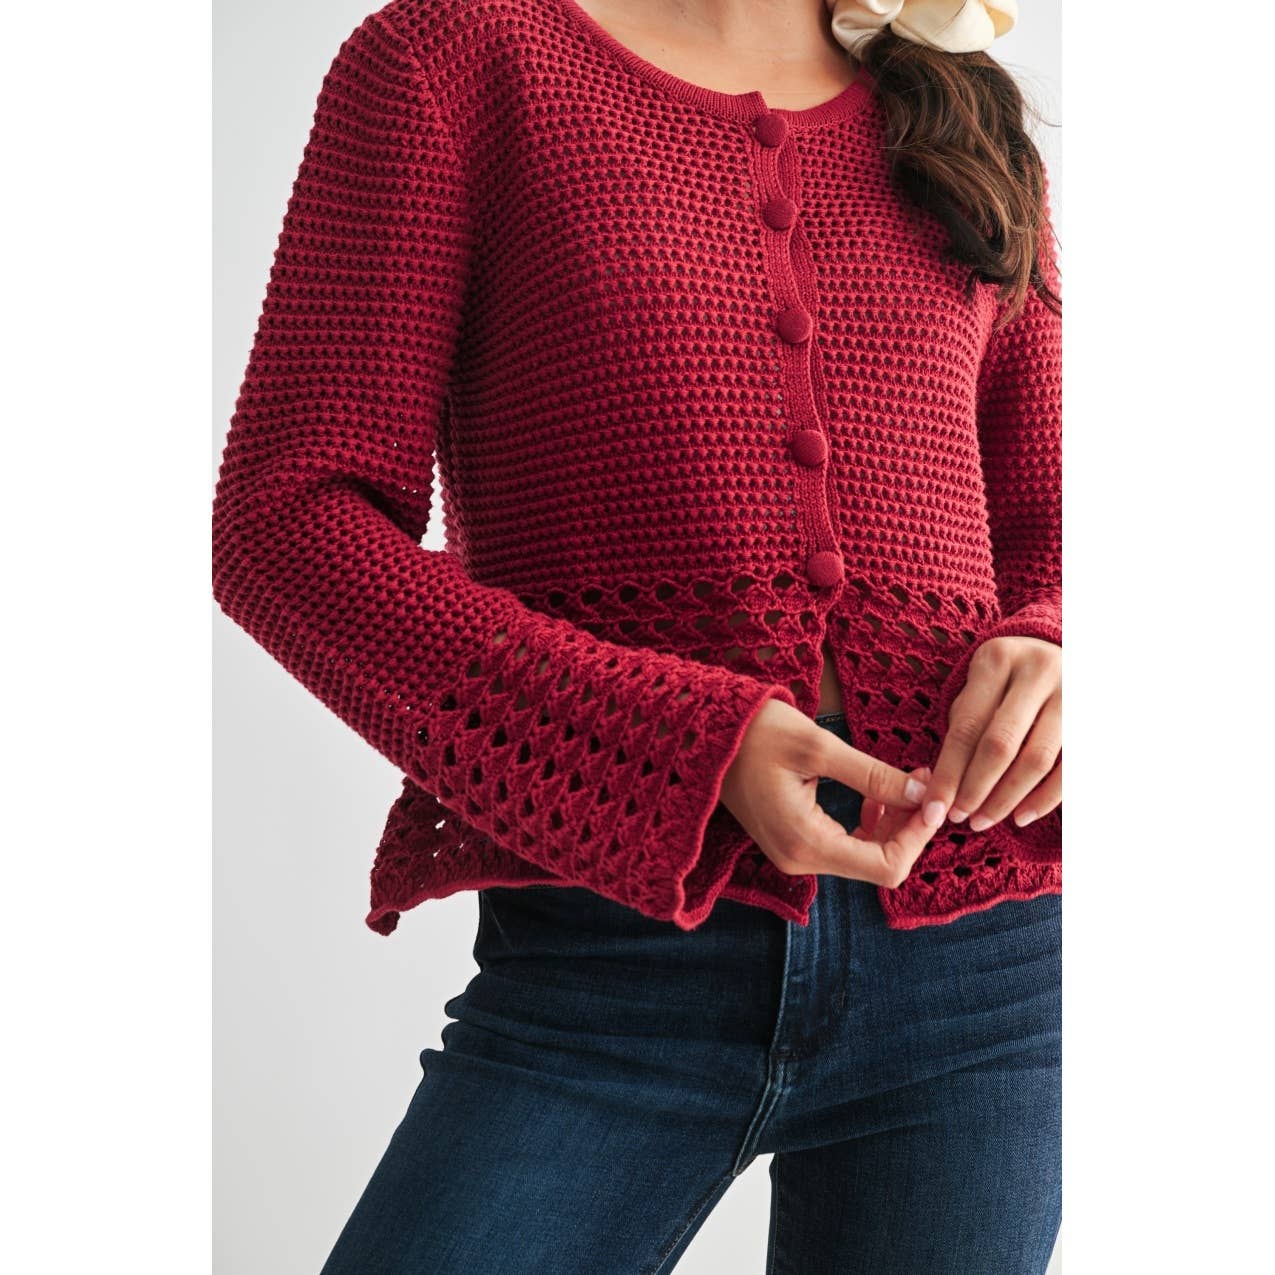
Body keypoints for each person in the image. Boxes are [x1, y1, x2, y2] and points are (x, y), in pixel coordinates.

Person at [212, 0, 1062, 1269]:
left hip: (984, 972)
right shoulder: (457, 62)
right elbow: (287, 522)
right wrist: (677, 745)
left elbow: (1060, 512)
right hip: (613, 962)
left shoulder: (959, 108)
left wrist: (1055, 640)